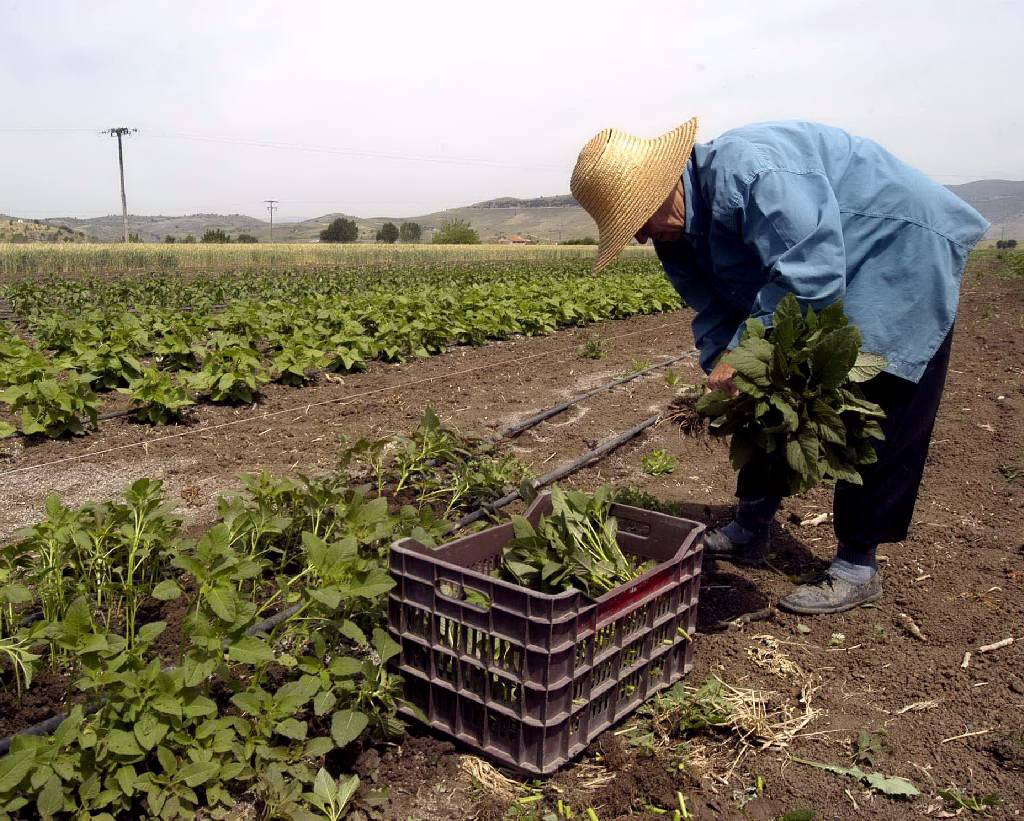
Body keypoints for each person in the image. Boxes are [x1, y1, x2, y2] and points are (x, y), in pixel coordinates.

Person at [569, 119, 989, 615]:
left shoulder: (749, 172)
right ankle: (751, 528)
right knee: (762, 391)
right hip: (826, 257)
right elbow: (713, 310)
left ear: (665, 184)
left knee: (879, 395)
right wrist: (727, 366)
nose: (640, 236)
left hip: (898, 243)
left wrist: (744, 355)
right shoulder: (674, 234)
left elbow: (811, 276)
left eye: (638, 217)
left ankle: (858, 564)